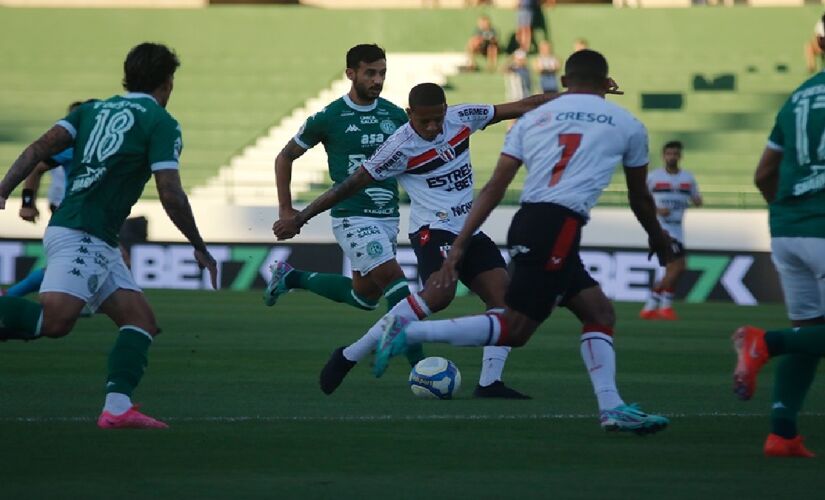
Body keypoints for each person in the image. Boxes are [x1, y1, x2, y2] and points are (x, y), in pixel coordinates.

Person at [370, 50, 674, 435]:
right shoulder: (627, 123)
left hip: (532, 221)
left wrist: (463, 241)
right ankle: (410, 332)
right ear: (605, 82)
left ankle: (612, 407)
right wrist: (660, 240)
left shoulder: (536, 121)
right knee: (515, 327)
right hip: (557, 227)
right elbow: (639, 197)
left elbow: (496, 185)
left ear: (564, 83)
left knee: (599, 312)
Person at [273, 84, 559, 398]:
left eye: (438, 118)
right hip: (432, 231)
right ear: (410, 115)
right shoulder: (398, 148)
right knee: (439, 296)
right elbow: (349, 185)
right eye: (425, 122)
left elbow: (524, 105)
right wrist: (301, 217)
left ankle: (490, 382)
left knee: (505, 302)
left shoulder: (463, 117)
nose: (434, 127)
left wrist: (582, 95)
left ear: (447, 109)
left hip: (469, 229)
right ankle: (349, 355)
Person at [0, 42, 218, 429]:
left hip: (91, 234)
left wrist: (4, 190)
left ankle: (117, 408)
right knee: (55, 321)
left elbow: (38, 149)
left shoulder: (90, 109)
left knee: (141, 322)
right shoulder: (161, 123)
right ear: (167, 83)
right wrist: (198, 245)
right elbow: (170, 192)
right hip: (83, 232)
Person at [267, 43, 431, 381]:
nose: (377, 79)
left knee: (365, 297)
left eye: (382, 73)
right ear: (350, 74)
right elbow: (284, 157)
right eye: (370, 72)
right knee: (396, 283)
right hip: (352, 216)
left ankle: (292, 277)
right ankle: (422, 368)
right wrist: (287, 209)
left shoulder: (395, 115)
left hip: (387, 217)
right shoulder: (329, 117)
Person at [731, 23, 825, 457]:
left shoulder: (797, 97)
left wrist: (786, 213)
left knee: (811, 332)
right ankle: (764, 342)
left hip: (789, 230)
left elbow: (763, 173)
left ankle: (782, 432)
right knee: (800, 336)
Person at [639, 141, 702, 321]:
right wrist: (657, 210)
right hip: (662, 230)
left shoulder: (687, 178)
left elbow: (697, 198)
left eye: (675, 154)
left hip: (678, 229)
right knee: (679, 266)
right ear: (663, 156)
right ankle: (658, 304)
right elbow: (641, 200)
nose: (672, 157)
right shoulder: (654, 177)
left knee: (673, 270)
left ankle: (656, 307)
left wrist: (696, 200)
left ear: (680, 156)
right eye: (669, 154)